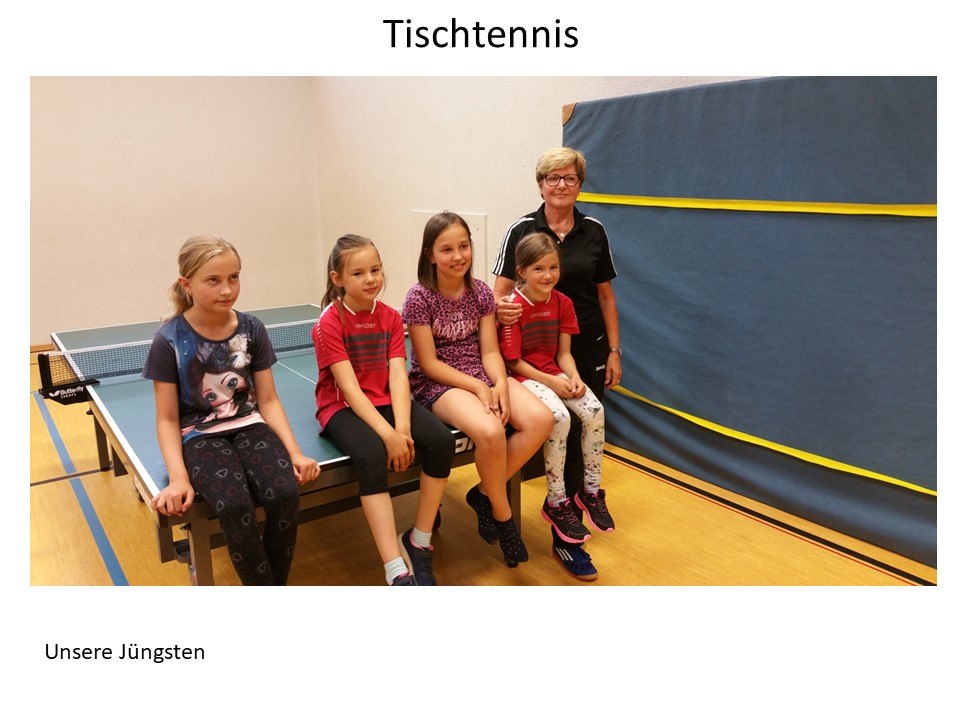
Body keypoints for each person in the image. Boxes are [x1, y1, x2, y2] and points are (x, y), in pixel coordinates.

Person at [144, 234, 320, 585]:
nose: (227, 289)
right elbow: (166, 418)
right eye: (213, 280)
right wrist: (178, 478)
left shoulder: (252, 329)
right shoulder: (168, 340)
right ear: (186, 284)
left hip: (251, 425)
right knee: (235, 505)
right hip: (199, 436)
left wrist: (295, 452)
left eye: (234, 277)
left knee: (284, 492)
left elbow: (268, 400)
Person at [492, 147, 622, 581]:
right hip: (533, 355)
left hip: (580, 350)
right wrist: (503, 311)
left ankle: (572, 531)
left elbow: (606, 297)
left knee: (588, 426)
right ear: (541, 184)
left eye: (569, 178)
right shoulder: (521, 230)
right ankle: (560, 525)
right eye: (553, 178)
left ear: (580, 184)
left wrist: (614, 351)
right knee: (556, 427)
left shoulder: (594, 231)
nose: (561, 185)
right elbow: (498, 296)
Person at [402, 211, 554, 568]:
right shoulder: (418, 298)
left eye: (464, 246)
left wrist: (499, 382)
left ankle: (484, 492)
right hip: (438, 382)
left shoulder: (482, 292)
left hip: (482, 372)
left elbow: (489, 350)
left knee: (541, 420)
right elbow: (428, 363)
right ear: (430, 254)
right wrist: (476, 386)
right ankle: (504, 518)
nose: (458, 256)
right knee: (490, 431)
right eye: (447, 249)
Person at [312, 234, 454, 586]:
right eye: (358, 273)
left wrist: (402, 427)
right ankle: (394, 567)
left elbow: (398, 376)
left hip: (387, 400)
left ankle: (419, 541)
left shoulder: (390, 316)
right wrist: (388, 436)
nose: (370, 279)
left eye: (375, 270)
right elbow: (349, 389)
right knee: (372, 454)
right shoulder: (329, 322)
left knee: (441, 441)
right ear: (337, 278)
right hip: (342, 407)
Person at [498, 233, 614, 557]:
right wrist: (551, 382)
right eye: (538, 268)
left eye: (553, 267)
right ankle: (557, 500)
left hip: (553, 372)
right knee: (559, 418)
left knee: (595, 411)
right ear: (521, 271)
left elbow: (563, 354)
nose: (547, 275)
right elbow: (513, 362)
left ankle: (591, 491)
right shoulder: (513, 308)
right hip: (523, 377)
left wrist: (574, 377)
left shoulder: (563, 303)